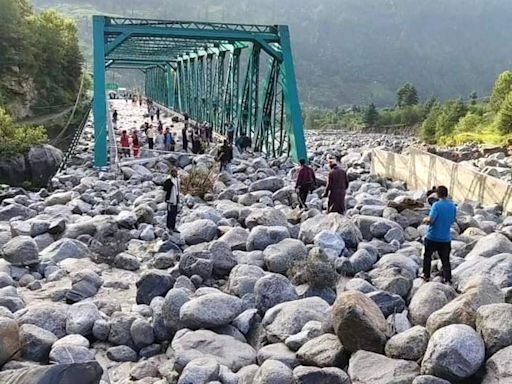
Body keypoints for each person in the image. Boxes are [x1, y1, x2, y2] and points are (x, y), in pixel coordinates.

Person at [421, 185, 456, 284]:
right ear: (447, 194)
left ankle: (426, 276)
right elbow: (452, 220)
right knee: (445, 261)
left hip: (433, 236)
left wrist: (425, 220)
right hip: (445, 238)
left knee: (427, 256)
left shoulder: (436, 205)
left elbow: (431, 220)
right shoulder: (452, 206)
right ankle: (448, 279)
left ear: (437, 194)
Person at [163, 168, 180, 233]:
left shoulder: (176, 179)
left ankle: (173, 227)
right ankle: (169, 227)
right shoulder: (169, 180)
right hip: (170, 199)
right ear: (172, 173)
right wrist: (166, 199)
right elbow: (165, 190)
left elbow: (177, 190)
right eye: (175, 172)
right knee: (170, 214)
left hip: (175, 199)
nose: (176, 173)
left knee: (174, 214)